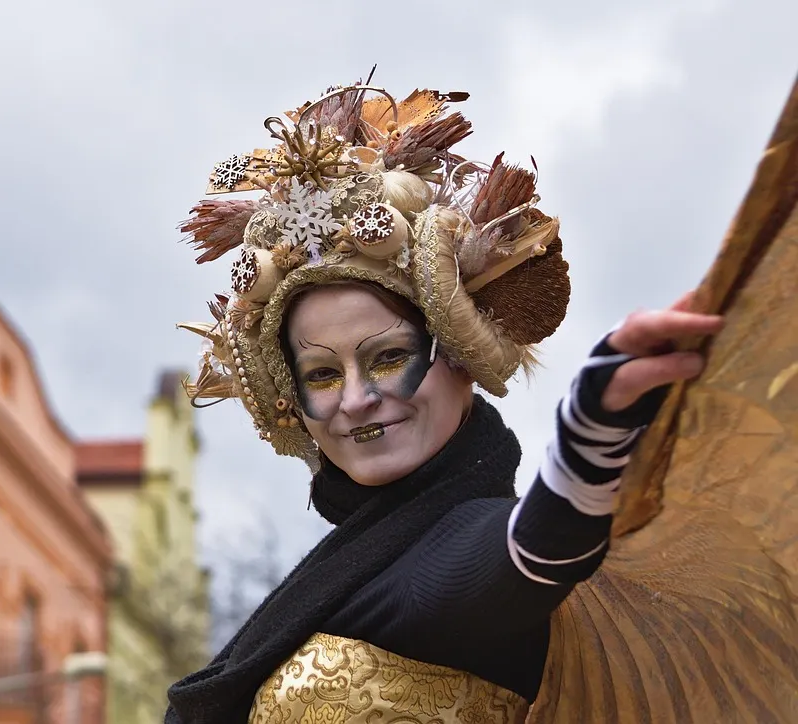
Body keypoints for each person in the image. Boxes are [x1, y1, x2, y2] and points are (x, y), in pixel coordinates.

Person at [163, 82, 732, 723]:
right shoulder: (331, 582)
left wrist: (595, 428)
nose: (357, 400)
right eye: (321, 374)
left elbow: (531, 553)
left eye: (387, 358)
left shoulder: (470, 551)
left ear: (459, 355)